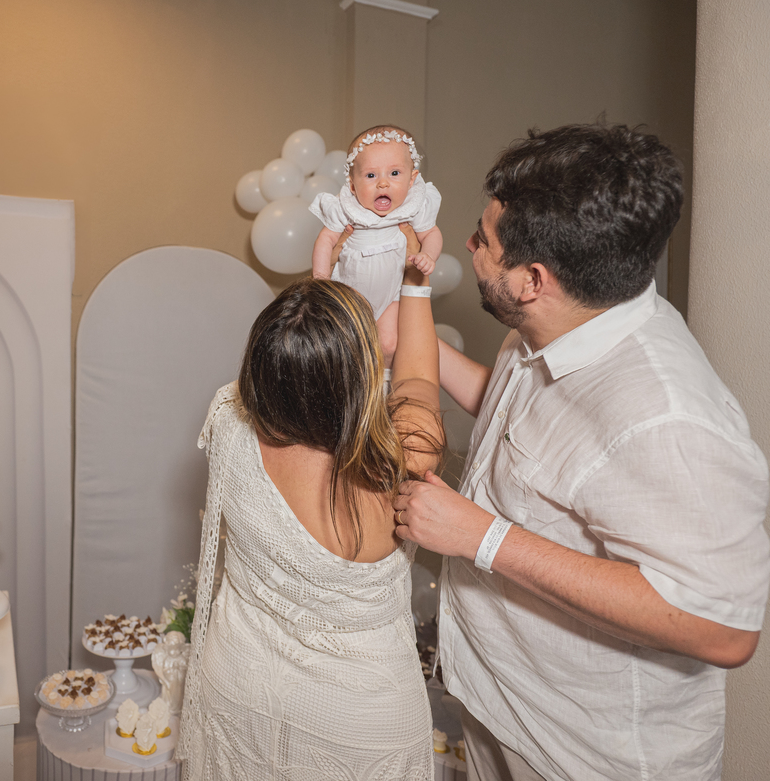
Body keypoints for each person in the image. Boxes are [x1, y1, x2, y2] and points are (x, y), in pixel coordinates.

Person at [393, 123, 770, 781]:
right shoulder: (565, 313)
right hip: (499, 701)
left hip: (583, 754)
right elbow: (529, 427)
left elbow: (721, 628)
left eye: (484, 239)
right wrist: (416, 345)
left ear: (532, 279)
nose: (470, 245)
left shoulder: (669, 417)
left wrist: (482, 537)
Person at [179, 225, 445, 780]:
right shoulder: (397, 465)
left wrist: (318, 301)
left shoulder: (228, 421)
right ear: (361, 379)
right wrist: (413, 282)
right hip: (357, 727)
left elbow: (295, 365)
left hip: (240, 691)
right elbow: (418, 380)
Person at [310, 124, 444, 365]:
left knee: (390, 344)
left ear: (412, 179)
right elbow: (325, 240)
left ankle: (384, 383)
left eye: (395, 173)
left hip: (391, 293)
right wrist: (320, 279)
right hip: (350, 291)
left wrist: (428, 255)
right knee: (344, 346)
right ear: (353, 185)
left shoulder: (413, 206)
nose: (383, 183)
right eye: (371, 176)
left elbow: (431, 234)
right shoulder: (347, 208)